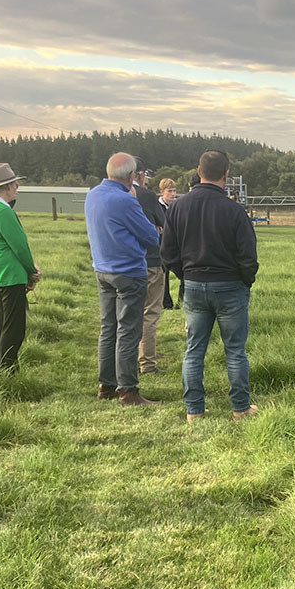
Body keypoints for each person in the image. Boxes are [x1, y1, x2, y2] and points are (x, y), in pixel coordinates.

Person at [162, 150, 259, 422]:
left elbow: (167, 252)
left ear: (198, 170)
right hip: (230, 287)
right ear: (227, 175)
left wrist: (186, 274)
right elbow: (248, 256)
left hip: (193, 285)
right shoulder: (234, 210)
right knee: (235, 350)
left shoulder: (178, 207)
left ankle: (194, 411)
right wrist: (245, 280)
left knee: (194, 350)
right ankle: (240, 408)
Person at [85, 152, 161, 406]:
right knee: (129, 330)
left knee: (108, 328)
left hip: (102, 270)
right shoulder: (126, 200)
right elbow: (151, 236)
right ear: (131, 176)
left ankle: (106, 385)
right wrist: (135, 201)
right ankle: (128, 390)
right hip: (128, 272)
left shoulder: (93, 195)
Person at [0, 164, 39, 371]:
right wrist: (32, 270)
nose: (17, 188)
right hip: (10, 272)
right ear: (8, 186)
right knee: (14, 326)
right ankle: (9, 367)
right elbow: (20, 245)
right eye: (15, 184)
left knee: (1, 320)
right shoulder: (3, 211)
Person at [132, 165, 166, 374]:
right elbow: (163, 225)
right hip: (151, 260)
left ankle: (125, 360)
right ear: (140, 175)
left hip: (123, 264)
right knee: (150, 313)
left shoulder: (107, 195)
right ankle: (147, 362)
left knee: (127, 313)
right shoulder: (146, 196)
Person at [158, 178, 179, 309]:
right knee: (163, 276)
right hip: (161, 246)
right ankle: (166, 303)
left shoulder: (177, 206)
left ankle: (181, 302)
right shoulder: (157, 207)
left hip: (176, 246)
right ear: (162, 192)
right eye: (169, 191)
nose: (173, 194)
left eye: (174, 191)